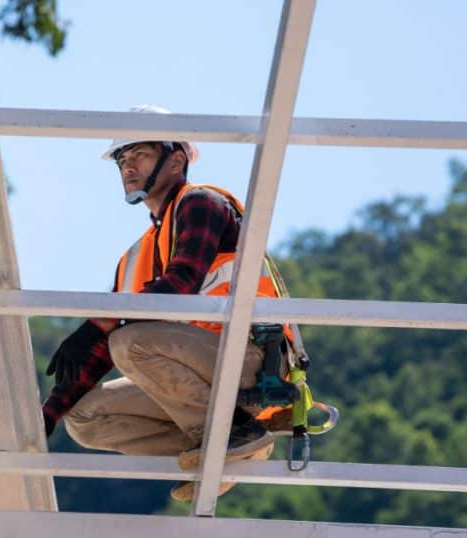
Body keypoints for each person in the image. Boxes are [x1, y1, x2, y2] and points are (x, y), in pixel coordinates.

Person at [41, 105, 290, 501]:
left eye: (139, 153)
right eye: (122, 158)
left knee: (129, 341)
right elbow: (96, 352)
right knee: (84, 419)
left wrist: (97, 326)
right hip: (191, 371)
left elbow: (180, 285)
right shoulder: (136, 257)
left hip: (248, 362)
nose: (127, 166)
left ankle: (231, 434)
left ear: (176, 161)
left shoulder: (202, 203)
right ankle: (229, 447)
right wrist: (44, 419)